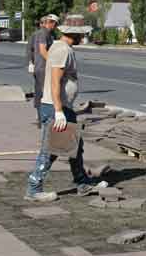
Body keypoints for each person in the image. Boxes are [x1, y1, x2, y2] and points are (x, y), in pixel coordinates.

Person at [25, 14, 105, 203]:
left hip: (60, 106)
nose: (83, 38)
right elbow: (55, 81)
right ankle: (34, 188)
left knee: (75, 146)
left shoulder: (61, 47)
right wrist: (59, 111)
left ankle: (82, 183)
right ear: (74, 35)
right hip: (55, 108)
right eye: (81, 35)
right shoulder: (62, 51)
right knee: (50, 150)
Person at [27, 14, 58, 123]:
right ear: (50, 23)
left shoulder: (48, 34)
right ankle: (43, 118)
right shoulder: (43, 33)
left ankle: (41, 117)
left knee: (40, 92)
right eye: (55, 24)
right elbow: (41, 50)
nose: (55, 26)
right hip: (42, 67)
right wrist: (53, 63)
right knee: (44, 92)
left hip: (40, 67)